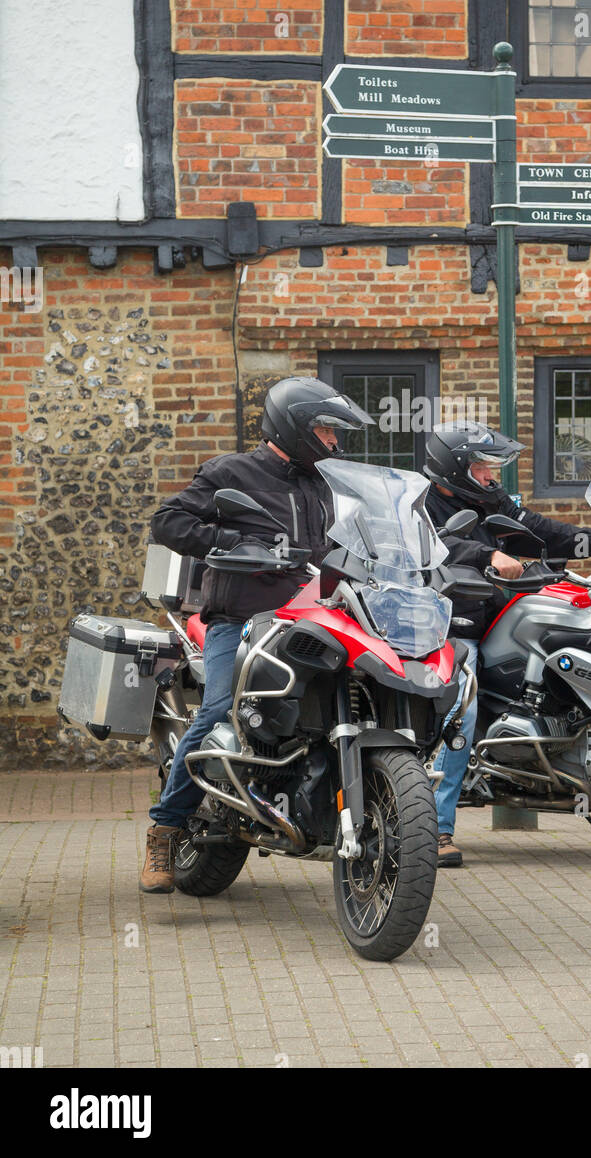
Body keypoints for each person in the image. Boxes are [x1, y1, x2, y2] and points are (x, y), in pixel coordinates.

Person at [139, 377, 372, 893]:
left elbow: (358, 540)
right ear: (295, 426)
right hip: (241, 619)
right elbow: (168, 521)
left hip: (309, 617)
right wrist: (230, 541)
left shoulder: (327, 484)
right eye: (326, 430)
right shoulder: (232, 471)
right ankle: (166, 827)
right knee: (221, 710)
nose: (334, 442)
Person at [423, 422, 591, 868]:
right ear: (457, 469)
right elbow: (436, 545)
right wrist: (487, 555)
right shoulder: (421, 505)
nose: (493, 475)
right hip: (449, 625)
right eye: (484, 467)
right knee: (462, 709)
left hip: (496, 618)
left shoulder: (492, 500)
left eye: (494, 467)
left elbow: (539, 530)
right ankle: (437, 828)